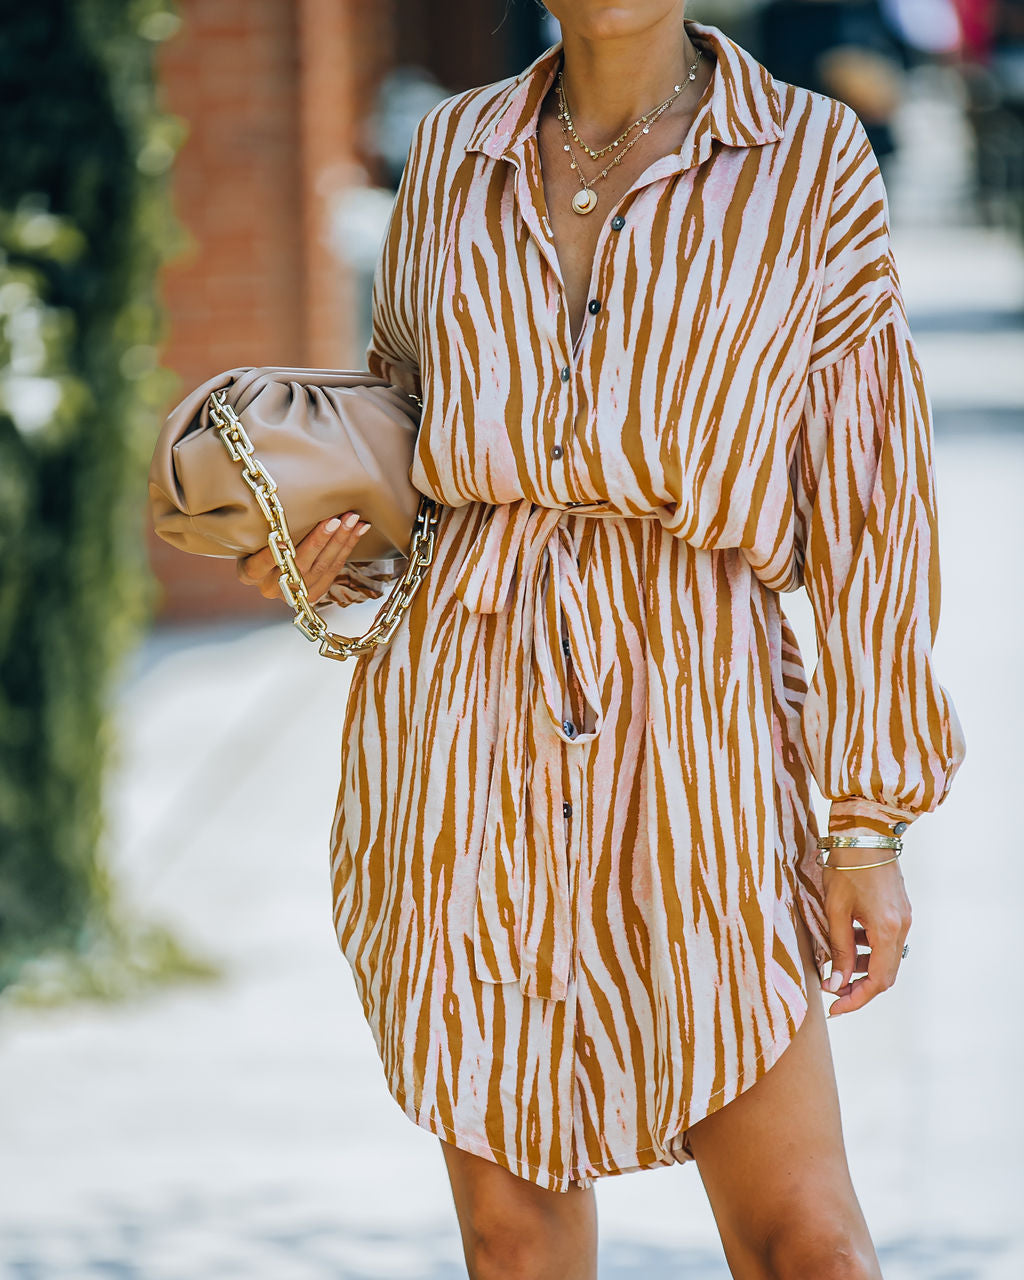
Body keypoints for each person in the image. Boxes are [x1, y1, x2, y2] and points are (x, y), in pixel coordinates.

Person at [237, 4, 966, 1276]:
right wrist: (321, 539)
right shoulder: (453, 149)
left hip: (701, 712)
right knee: (510, 1231)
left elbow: (870, 504)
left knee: (808, 1239)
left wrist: (867, 821)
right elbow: (405, 434)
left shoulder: (807, 156)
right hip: (464, 712)